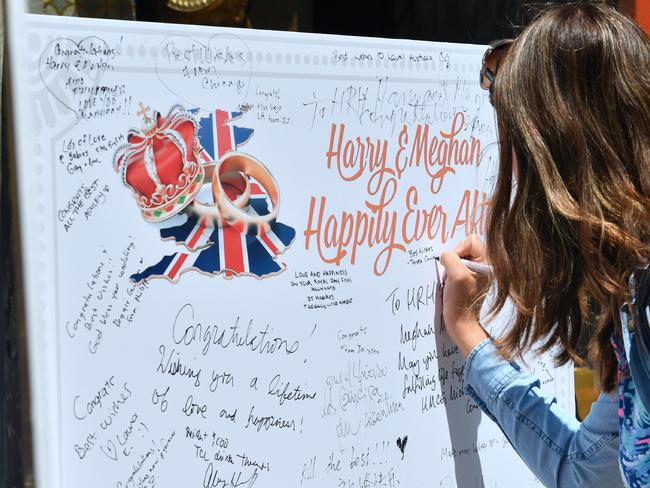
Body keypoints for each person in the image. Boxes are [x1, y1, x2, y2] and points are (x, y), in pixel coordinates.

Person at [439, 3, 650, 487]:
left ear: (554, 155)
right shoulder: (635, 295)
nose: (512, 175)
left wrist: (468, 332)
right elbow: (589, 469)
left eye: (517, 147)